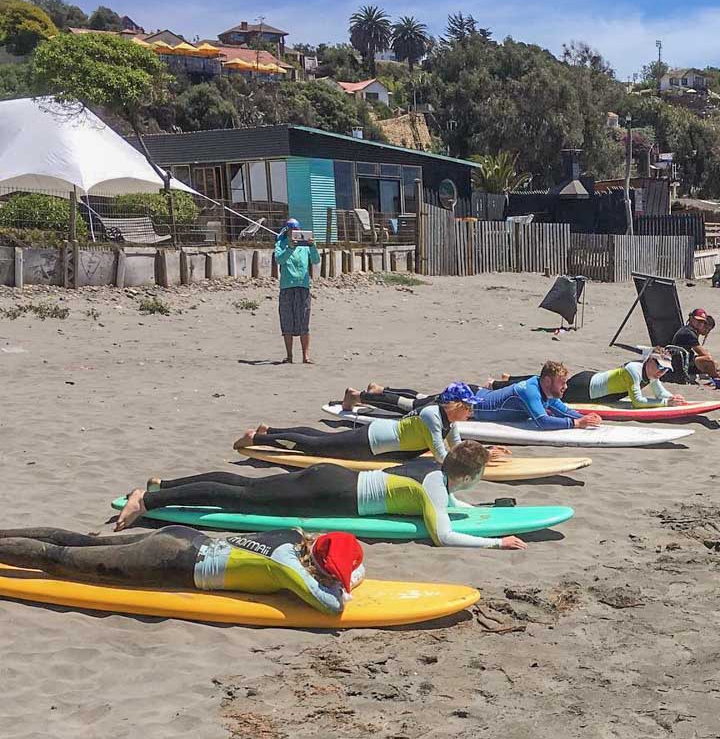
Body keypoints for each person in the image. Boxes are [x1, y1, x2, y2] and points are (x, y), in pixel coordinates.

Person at [115, 441, 528, 551]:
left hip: (333, 480)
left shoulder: (433, 471)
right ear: (470, 475)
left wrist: (478, 510)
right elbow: (443, 535)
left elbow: (452, 504)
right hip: (328, 493)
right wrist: (496, 542)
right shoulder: (436, 485)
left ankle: (161, 489)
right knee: (239, 497)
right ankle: (148, 503)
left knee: (241, 488)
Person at [0, 526, 365, 616]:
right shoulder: (286, 566)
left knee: (76, 542)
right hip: (171, 564)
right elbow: (331, 607)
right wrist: (341, 589)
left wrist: (348, 573)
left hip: (182, 538)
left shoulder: (293, 538)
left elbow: (349, 569)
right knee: (58, 561)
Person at [234, 382, 511, 464]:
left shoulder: (448, 420)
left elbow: (457, 446)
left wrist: (485, 450)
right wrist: (479, 460)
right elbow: (442, 455)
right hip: (371, 442)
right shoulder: (432, 417)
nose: (471, 413)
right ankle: (257, 439)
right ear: (457, 406)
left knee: (320, 438)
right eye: (469, 408)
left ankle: (270, 431)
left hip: (377, 439)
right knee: (316, 446)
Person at [471, 361, 600, 430]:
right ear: (548, 381)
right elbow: (542, 421)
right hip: (470, 401)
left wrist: (586, 417)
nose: (565, 387)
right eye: (562, 383)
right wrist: (576, 423)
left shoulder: (546, 390)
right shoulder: (529, 391)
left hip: (480, 393)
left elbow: (563, 411)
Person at [563, 348, 686, 407]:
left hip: (592, 383)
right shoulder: (633, 370)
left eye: (665, 369)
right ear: (649, 360)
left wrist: (672, 397)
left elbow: (659, 392)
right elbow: (637, 402)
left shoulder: (652, 373)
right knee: (554, 397)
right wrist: (666, 403)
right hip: (583, 387)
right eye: (659, 366)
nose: (661, 371)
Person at [275, 219, 320, 364]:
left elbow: (315, 260)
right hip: (287, 287)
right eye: (291, 230)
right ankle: (289, 356)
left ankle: (306, 356)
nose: (293, 233)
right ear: (287, 231)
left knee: (304, 321)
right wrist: (290, 248)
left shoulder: (305, 246)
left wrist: (312, 246)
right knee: (287, 320)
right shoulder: (281, 244)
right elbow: (279, 260)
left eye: (296, 230)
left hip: (303, 286)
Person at [669, 309, 719, 382]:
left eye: (702, 322)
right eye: (698, 320)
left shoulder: (689, 330)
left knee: (713, 362)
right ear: (691, 319)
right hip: (681, 365)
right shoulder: (688, 333)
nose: (700, 323)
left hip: (683, 360)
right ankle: (716, 379)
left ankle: (714, 378)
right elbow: (703, 353)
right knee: (709, 360)